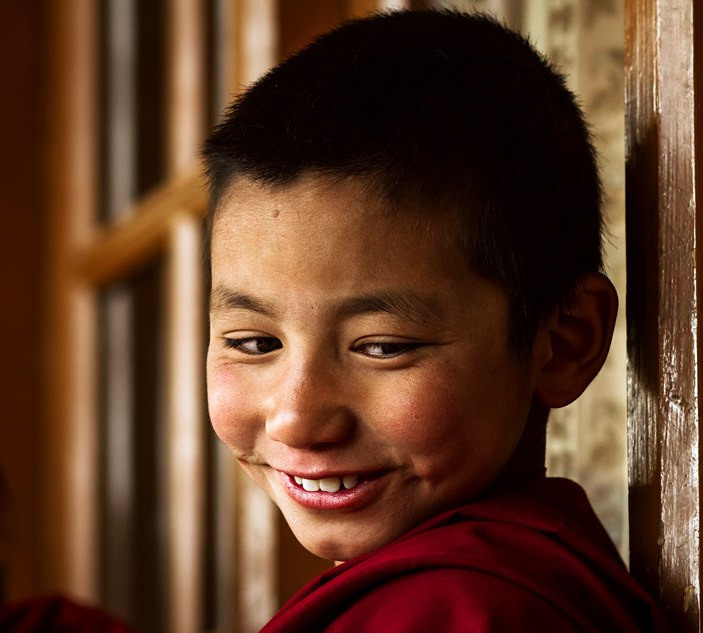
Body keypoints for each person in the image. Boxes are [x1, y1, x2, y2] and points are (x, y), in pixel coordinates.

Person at [203, 9, 665, 632]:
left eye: (383, 347)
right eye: (254, 342)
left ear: (563, 341)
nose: (298, 418)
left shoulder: (460, 613)